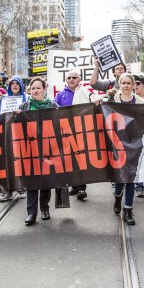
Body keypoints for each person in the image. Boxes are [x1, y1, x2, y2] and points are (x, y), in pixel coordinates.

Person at [103, 73, 144, 225]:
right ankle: (117, 196)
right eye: (124, 83)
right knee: (119, 177)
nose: (127, 86)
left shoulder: (141, 101)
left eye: (129, 83)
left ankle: (128, 209)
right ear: (120, 84)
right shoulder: (112, 100)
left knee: (131, 177)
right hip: (117, 144)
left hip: (135, 143)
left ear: (133, 85)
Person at [14, 77, 60, 225]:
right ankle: (31, 213)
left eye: (38, 88)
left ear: (44, 89)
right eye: (33, 88)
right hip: (30, 150)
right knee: (32, 181)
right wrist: (16, 116)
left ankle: (44, 208)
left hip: (48, 148)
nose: (35, 90)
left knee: (46, 180)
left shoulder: (53, 106)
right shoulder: (24, 107)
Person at [54, 69, 93, 202]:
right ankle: (75, 186)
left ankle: (82, 188)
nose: (71, 79)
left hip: (81, 131)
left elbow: (94, 104)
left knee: (81, 160)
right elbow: (53, 111)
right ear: (66, 80)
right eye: (69, 77)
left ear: (79, 79)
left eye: (74, 77)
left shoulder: (85, 92)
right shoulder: (60, 95)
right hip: (66, 133)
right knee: (69, 161)